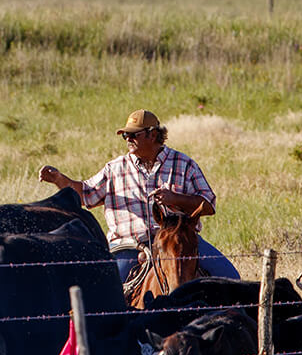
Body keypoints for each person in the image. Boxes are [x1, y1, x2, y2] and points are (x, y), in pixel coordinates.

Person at [38, 109, 240, 282]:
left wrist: (176, 199)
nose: (128, 140)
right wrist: (59, 179)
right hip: (130, 246)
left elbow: (209, 205)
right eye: (125, 136)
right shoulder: (115, 168)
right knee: (107, 293)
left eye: (134, 135)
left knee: (230, 278)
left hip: (179, 242)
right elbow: (86, 194)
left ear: (152, 135)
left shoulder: (183, 164)